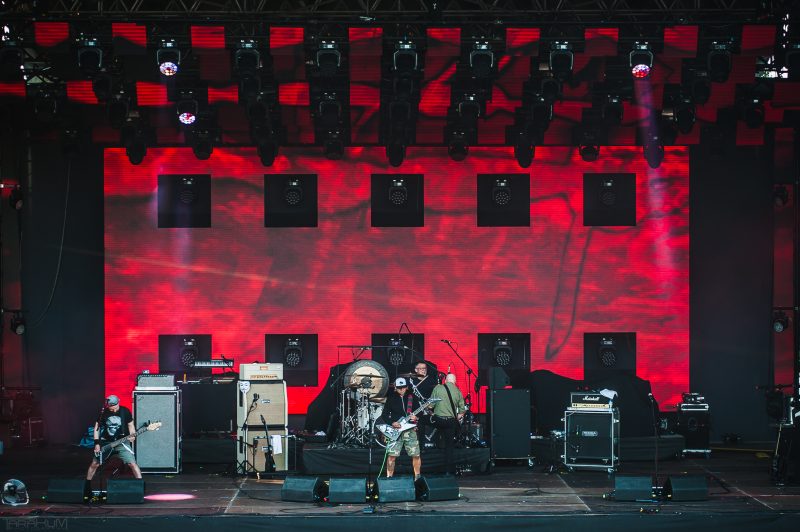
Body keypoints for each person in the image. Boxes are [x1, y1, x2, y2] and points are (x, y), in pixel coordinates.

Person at [86, 395, 142, 481]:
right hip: (106, 442)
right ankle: (87, 484)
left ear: (118, 401)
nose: (114, 410)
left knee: (132, 464)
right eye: (111, 409)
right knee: (95, 464)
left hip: (122, 442)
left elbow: (130, 425)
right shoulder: (104, 413)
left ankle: (140, 484)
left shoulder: (125, 411)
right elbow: (97, 428)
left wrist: (132, 435)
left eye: (115, 408)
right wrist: (97, 444)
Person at [378, 377, 422, 479]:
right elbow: (384, 415)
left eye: (403, 387)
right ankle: (389, 477)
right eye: (399, 388)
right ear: (395, 388)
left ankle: (417, 477)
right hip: (395, 431)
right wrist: (392, 422)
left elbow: (420, 414)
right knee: (392, 456)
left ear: (406, 387)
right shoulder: (391, 398)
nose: (401, 390)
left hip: (410, 430)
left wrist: (416, 418)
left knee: (416, 454)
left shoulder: (412, 397)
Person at [429, 373, 465, 475]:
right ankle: (448, 471)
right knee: (449, 446)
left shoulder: (438, 388)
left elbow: (430, 405)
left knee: (424, 422)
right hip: (450, 421)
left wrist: (432, 412)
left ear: (445, 380)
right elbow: (462, 410)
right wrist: (457, 417)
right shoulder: (458, 391)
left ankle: (424, 447)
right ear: (455, 381)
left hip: (438, 420)